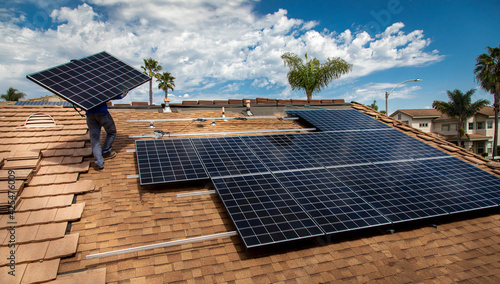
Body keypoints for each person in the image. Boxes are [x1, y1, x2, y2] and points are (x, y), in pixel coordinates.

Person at [86, 95, 124, 170]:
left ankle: (99, 164)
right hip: (102, 113)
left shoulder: (84, 88)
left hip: (89, 115)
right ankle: (106, 151)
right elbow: (116, 96)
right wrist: (124, 92)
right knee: (112, 132)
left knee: (95, 140)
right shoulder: (99, 88)